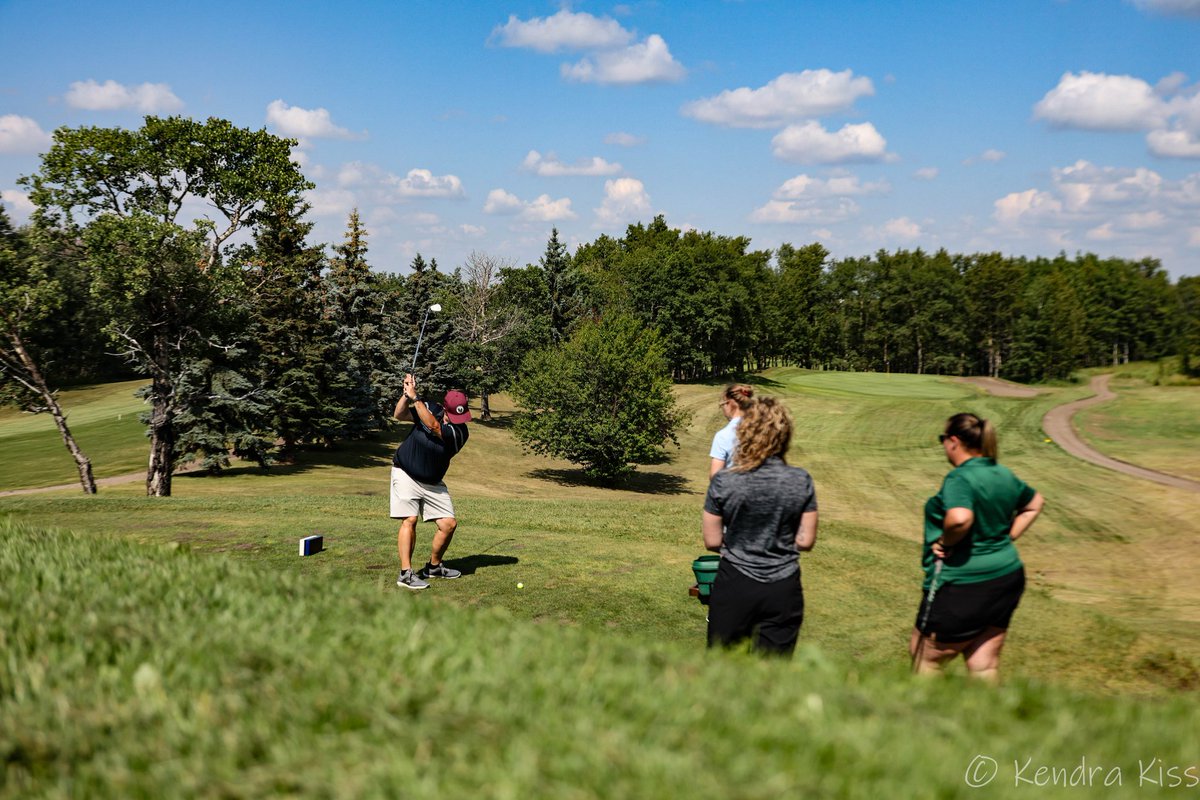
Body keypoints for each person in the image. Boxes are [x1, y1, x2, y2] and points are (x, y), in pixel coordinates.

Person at [910, 412, 1045, 680]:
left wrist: (945, 541)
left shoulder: (960, 478)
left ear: (953, 441)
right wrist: (1007, 537)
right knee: (983, 664)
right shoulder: (1001, 472)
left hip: (963, 583)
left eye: (942, 439)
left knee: (925, 659)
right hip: (1006, 576)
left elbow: (960, 518)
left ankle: (921, 708)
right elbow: (1034, 503)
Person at [702, 397, 818, 656]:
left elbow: (712, 540)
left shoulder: (724, 481)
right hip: (783, 584)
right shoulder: (800, 480)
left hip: (735, 580)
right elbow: (805, 540)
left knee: (724, 664)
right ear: (784, 435)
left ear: (745, 432)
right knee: (773, 669)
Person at [391, 373, 472, 590]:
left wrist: (415, 398)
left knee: (448, 524)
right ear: (445, 408)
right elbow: (399, 415)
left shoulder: (459, 433)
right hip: (405, 472)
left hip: (432, 481)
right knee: (410, 519)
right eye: (454, 415)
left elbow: (435, 427)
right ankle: (406, 573)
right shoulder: (429, 407)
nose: (458, 421)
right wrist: (406, 395)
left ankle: (434, 567)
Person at [709, 384, 755, 477]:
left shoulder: (723, 436)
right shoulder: (763, 429)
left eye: (723, 404)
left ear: (729, 403)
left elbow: (715, 476)